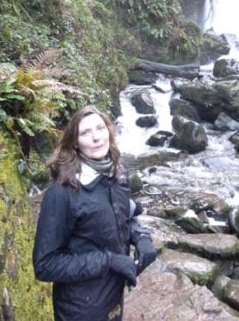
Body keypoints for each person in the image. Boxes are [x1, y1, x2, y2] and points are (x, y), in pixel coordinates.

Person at [33, 105, 157, 321]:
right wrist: (108, 261)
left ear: (109, 131)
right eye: (85, 133)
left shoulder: (117, 172)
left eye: (100, 128)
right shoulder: (61, 194)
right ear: (74, 143)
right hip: (80, 309)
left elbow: (122, 212)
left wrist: (141, 236)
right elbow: (45, 265)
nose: (96, 138)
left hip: (113, 296)